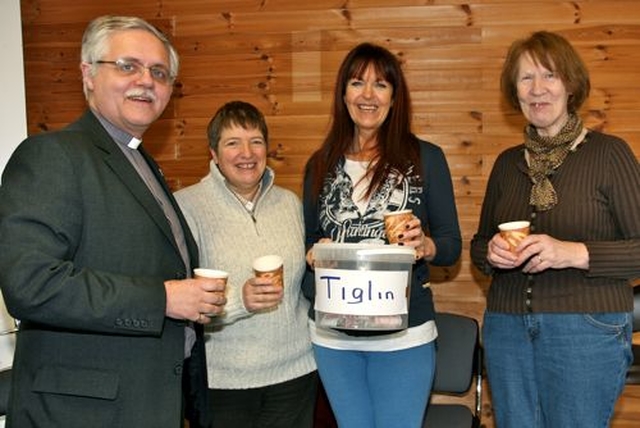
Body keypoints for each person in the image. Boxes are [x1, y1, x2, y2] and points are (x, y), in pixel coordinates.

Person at [0, 15, 224, 428]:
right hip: (83, 413)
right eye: (127, 66)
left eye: (159, 72)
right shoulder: (52, 156)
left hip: (149, 403)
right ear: (88, 74)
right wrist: (164, 299)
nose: (146, 80)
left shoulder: (142, 163)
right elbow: (30, 284)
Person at [470, 30, 640, 427]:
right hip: (507, 327)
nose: (537, 89)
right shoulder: (507, 163)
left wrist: (572, 253)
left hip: (586, 328)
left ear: (570, 85)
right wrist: (491, 253)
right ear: (515, 92)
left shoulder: (609, 154)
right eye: (525, 78)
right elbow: (479, 248)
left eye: (549, 75)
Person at [302, 42, 462, 427]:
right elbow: (307, 241)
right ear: (343, 94)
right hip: (334, 339)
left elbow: (451, 245)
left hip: (403, 337)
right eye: (357, 83)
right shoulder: (320, 163)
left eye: (380, 85)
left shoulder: (426, 158)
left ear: (395, 96)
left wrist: (425, 245)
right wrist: (313, 254)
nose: (368, 95)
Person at [174, 101, 318, 428]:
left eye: (256, 141)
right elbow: (180, 299)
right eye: (232, 143)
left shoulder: (289, 204)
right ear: (213, 153)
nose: (246, 153)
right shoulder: (187, 207)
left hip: (295, 373)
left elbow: (303, 286)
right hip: (223, 381)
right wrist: (241, 301)